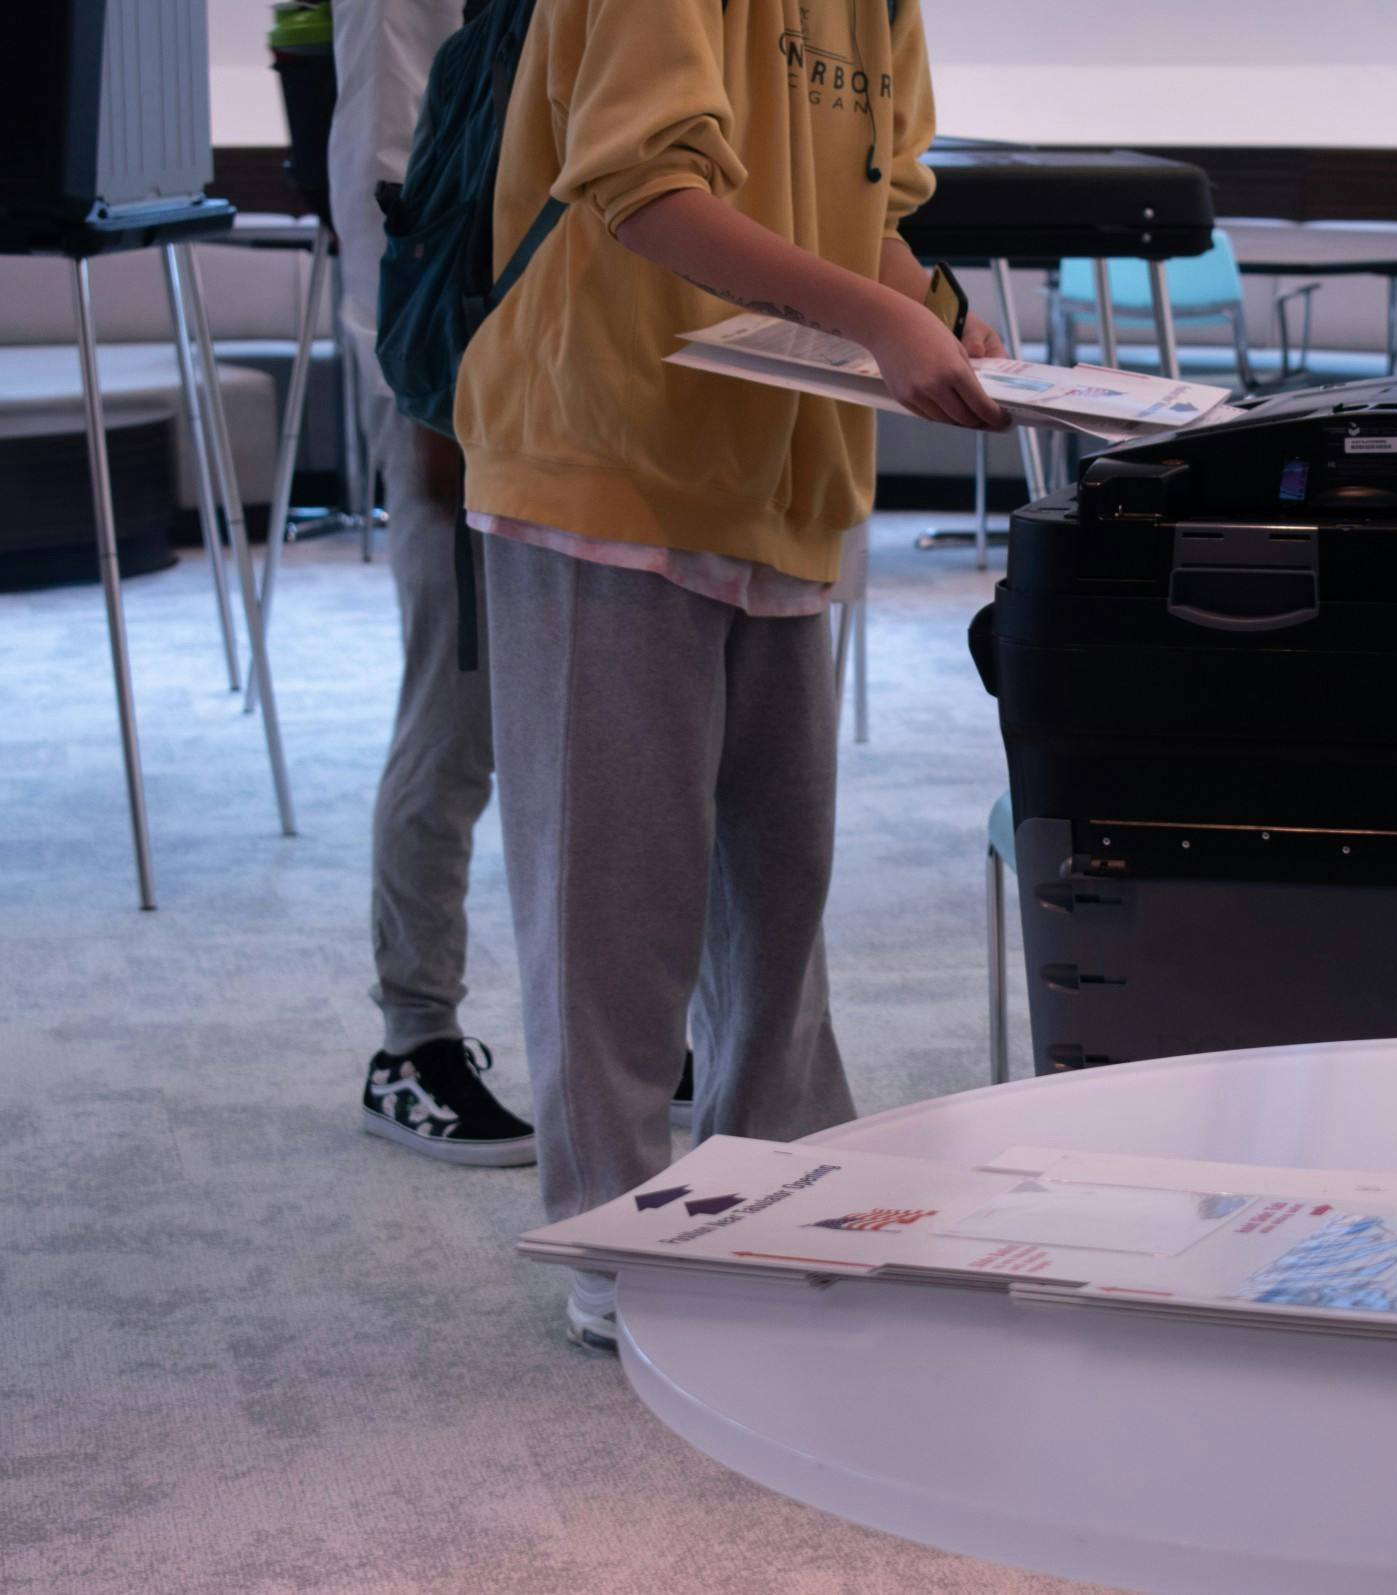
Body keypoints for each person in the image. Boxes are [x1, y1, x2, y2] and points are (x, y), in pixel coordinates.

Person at [454, 0, 1007, 1348]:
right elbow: (644, 188)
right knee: (613, 891)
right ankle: (618, 1232)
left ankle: (777, 1185)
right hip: (608, 450)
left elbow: (863, 207)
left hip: (776, 461)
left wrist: (938, 313)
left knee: (775, 877)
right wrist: (881, 316)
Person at [329, 0, 536, 1165]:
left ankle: (631, 1022)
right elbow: (384, 181)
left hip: (570, 374)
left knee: (609, 724)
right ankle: (411, 1043)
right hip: (445, 374)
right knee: (456, 719)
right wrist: (426, 399)